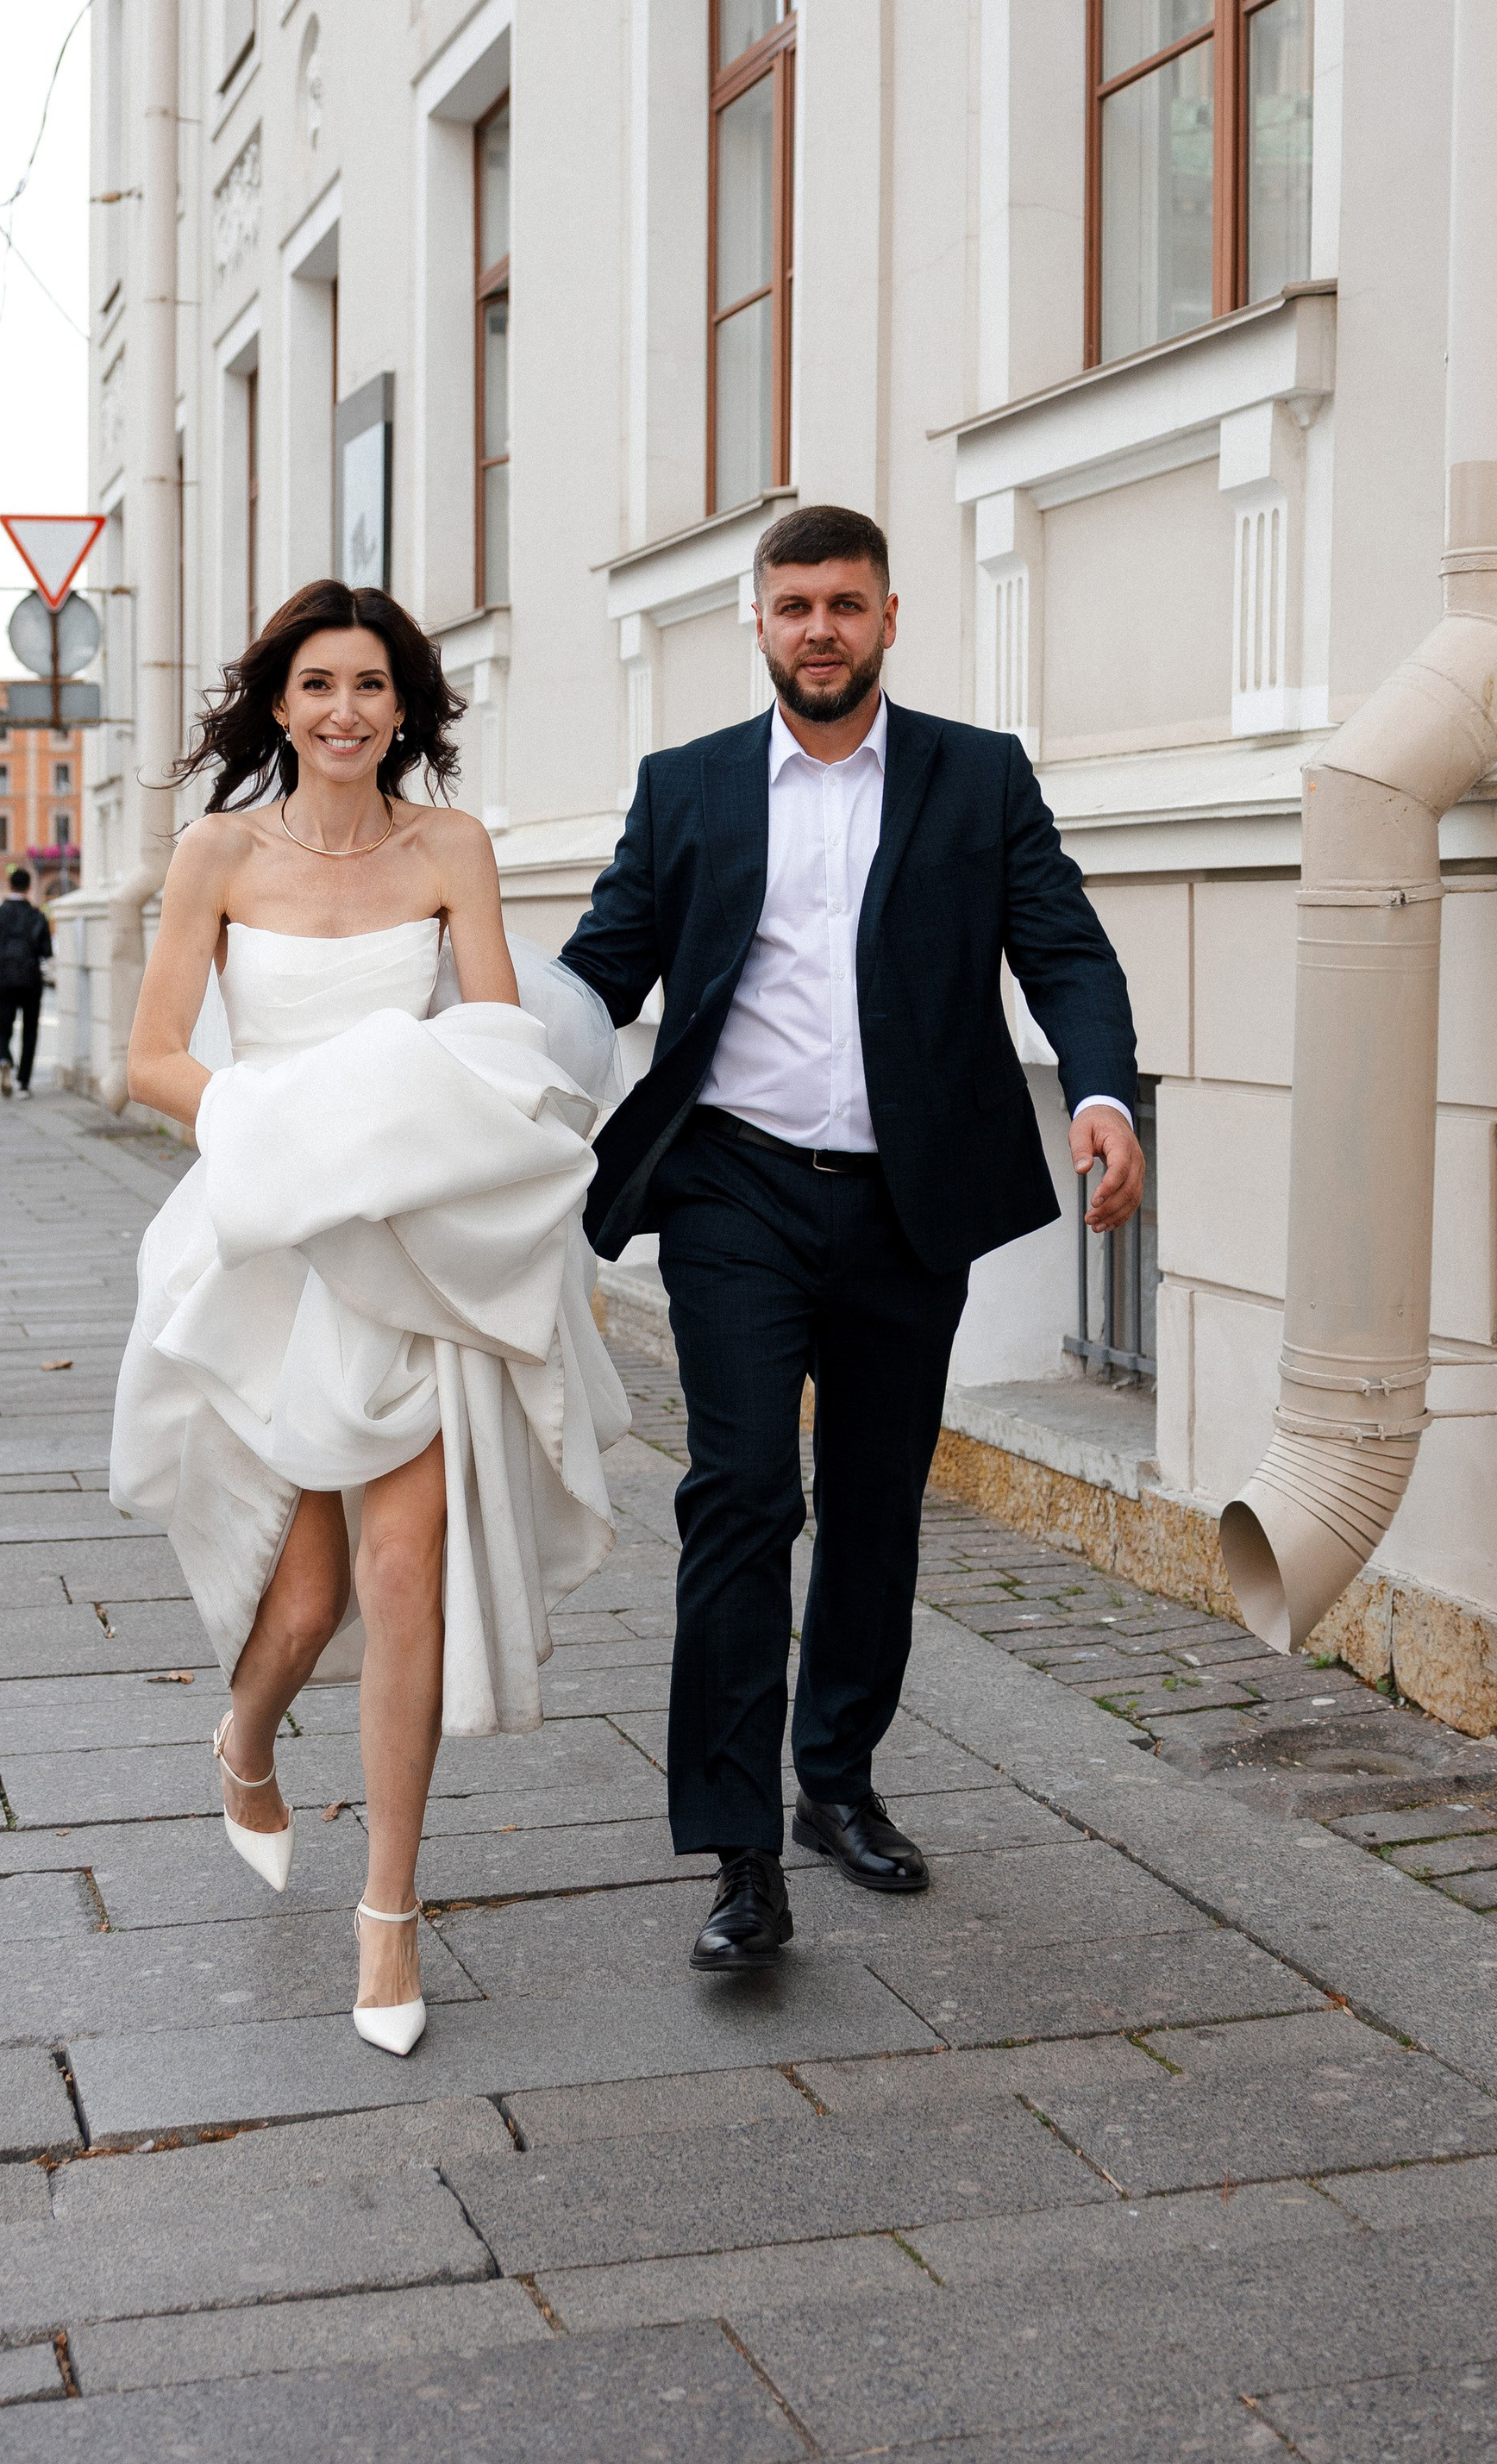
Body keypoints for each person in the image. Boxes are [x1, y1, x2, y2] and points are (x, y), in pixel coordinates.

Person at [561, 505, 1141, 1973]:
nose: (819, 627)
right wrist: (486, 1079)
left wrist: (1101, 1092)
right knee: (743, 1491)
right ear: (758, 624)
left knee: (875, 1498)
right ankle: (739, 1855)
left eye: (845, 603)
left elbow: (1060, 943)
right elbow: (599, 969)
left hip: (907, 1197)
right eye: (794, 604)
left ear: (890, 618)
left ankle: (836, 1781)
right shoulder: (686, 787)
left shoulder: (977, 776)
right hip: (734, 1189)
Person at [111, 582, 625, 2055]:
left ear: (407, 708)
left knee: (406, 1573)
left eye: (373, 686)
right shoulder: (216, 852)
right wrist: (291, 1134)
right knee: (309, 1598)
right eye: (319, 684)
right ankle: (247, 1734)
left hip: (415, 1250)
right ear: (279, 704)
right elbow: (152, 1058)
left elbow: (494, 1057)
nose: (346, 711)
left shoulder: (451, 847)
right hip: (275, 1239)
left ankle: (388, 1913)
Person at [0, 865, 53, 1097]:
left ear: (9, 885)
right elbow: (46, 951)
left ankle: (4, 1058)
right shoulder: (37, 916)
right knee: (30, 1030)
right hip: (31, 978)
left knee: (2, 1026)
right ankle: (23, 1082)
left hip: (4, 978)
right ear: (29, 887)